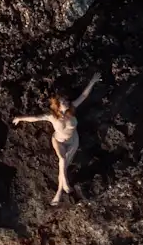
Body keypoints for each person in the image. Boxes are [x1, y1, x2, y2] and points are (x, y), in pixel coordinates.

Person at [14, 73, 100, 205]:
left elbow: (83, 96)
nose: (66, 103)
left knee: (63, 166)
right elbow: (35, 118)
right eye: (63, 102)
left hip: (73, 141)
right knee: (62, 160)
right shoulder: (51, 116)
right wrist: (20, 118)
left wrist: (92, 81)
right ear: (58, 106)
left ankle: (59, 192)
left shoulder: (72, 108)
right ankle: (62, 187)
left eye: (66, 101)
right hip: (58, 141)